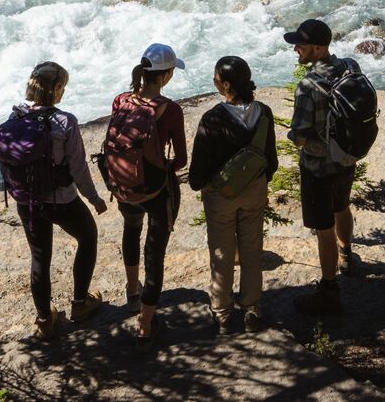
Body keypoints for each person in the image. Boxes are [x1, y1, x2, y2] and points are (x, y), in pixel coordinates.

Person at [0, 61, 108, 340]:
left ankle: (45, 320)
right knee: (88, 237)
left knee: (39, 257)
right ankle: (80, 304)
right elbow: (78, 168)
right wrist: (94, 199)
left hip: (29, 201)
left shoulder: (14, 118)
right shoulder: (64, 122)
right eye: (63, 87)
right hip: (62, 200)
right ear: (57, 88)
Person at [104, 42, 188, 348]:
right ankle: (146, 323)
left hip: (124, 187)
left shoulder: (120, 100)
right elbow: (180, 161)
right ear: (165, 75)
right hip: (155, 189)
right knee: (155, 253)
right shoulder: (170, 109)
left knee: (131, 229)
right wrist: (159, 165)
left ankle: (131, 291)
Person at [187, 55, 277, 335]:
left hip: (221, 195)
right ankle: (252, 308)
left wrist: (204, 186)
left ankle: (223, 314)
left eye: (215, 78)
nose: (213, 81)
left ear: (226, 85)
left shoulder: (212, 118)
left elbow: (198, 171)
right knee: (252, 249)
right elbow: (270, 161)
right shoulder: (264, 112)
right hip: (254, 190)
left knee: (221, 252)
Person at [284, 18, 364, 315]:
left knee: (323, 227)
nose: (296, 50)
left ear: (317, 48)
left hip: (319, 166)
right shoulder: (350, 66)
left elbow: (300, 134)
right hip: (347, 157)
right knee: (342, 205)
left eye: (300, 46)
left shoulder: (308, 85)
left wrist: (295, 138)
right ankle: (347, 256)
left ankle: (329, 290)